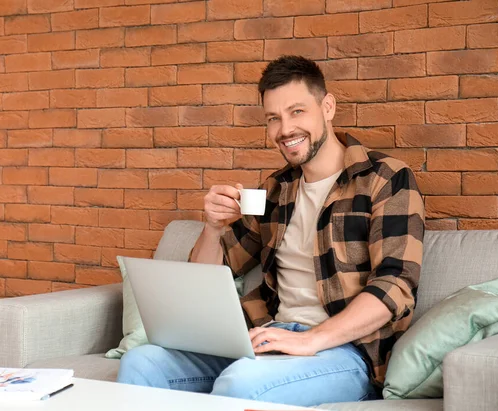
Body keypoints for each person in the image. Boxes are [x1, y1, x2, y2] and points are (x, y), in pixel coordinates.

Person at [117, 55, 425, 407]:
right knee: (142, 363)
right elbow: (211, 276)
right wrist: (213, 229)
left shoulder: (386, 177)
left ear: (327, 106)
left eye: (297, 112)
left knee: (240, 384)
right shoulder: (276, 190)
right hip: (270, 338)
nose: (285, 130)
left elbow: (395, 285)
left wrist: (310, 340)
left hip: (344, 354)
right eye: (273, 119)